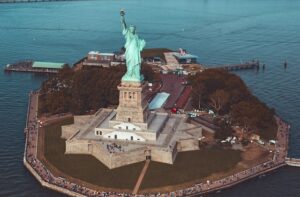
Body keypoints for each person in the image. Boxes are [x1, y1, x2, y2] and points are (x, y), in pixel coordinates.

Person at [120, 10, 146, 82]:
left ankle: (136, 74)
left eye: (133, 28)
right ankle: (129, 73)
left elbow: (141, 43)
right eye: (130, 28)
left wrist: (142, 45)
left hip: (135, 52)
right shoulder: (127, 34)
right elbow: (123, 24)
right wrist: (122, 16)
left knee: (136, 63)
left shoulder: (136, 36)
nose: (131, 29)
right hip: (129, 51)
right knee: (129, 63)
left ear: (135, 30)